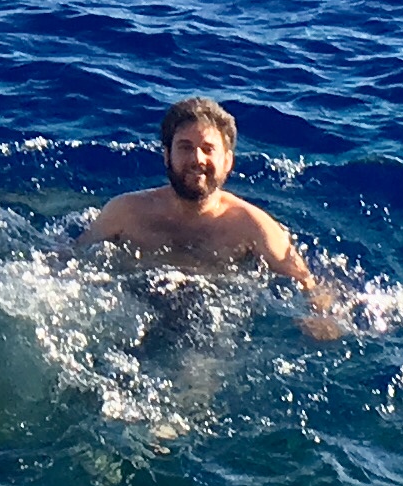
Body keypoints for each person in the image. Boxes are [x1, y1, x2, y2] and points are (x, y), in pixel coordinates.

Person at [90, 95, 340, 329]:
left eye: (208, 149)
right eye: (185, 147)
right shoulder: (125, 212)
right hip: (131, 308)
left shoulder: (252, 226)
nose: (197, 159)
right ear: (167, 156)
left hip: (211, 320)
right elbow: (69, 257)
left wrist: (321, 317)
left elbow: (308, 283)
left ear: (227, 161)